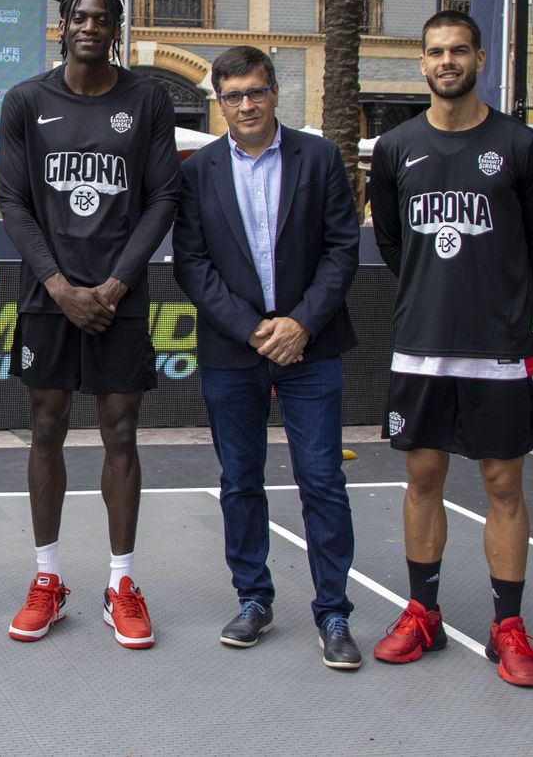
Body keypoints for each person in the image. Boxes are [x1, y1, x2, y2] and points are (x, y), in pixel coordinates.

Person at [367, 10, 533, 688]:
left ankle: (507, 626)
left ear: (478, 58)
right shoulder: (395, 149)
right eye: (434, 52)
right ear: (420, 63)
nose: (446, 61)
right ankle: (423, 613)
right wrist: (438, 294)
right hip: (422, 346)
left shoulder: (520, 144)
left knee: (504, 484)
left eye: (458, 50)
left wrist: (497, 299)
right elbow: (394, 245)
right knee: (422, 478)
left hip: (497, 348)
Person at [0, 0, 180, 649]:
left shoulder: (148, 100)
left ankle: (121, 585)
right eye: (81, 17)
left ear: (117, 29)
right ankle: (47, 580)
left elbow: (162, 200)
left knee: (121, 434)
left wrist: (113, 285)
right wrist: (60, 285)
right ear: (64, 25)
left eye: (105, 19)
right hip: (50, 298)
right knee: (45, 428)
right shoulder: (26, 101)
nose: (91, 28)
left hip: (119, 301)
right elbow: (13, 203)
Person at [172, 46, 364, 670]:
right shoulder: (198, 170)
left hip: (312, 345)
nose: (246, 105)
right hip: (235, 349)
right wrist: (254, 328)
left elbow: (341, 250)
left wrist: (300, 322)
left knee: (323, 480)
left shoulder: (321, 156)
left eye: (255, 92)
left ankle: (333, 611)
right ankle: (254, 598)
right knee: (240, 481)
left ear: (275, 92)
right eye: (233, 96)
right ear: (219, 102)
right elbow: (193, 266)